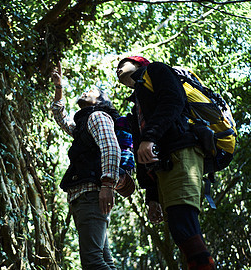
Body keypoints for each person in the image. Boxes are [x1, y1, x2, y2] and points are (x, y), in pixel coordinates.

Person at [116, 56, 215, 269]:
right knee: (181, 229)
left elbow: (173, 101)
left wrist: (149, 136)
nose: (118, 68)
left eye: (123, 62)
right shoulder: (137, 103)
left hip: (182, 151)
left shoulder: (157, 71)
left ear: (140, 63)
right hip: (165, 165)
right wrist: (152, 196)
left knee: (184, 221)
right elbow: (140, 150)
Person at [51, 62, 120, 269]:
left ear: (99, 101)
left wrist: (107, 185)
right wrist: (59, 87)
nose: (84, 91)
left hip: (91, 195)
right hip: (85, 196)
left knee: (93, 262)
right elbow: (60, 118)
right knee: (103, 260)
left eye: (90, 91)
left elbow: (111, 147)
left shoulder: (97, 116)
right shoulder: (84, 123)